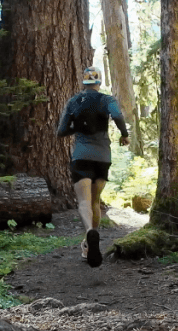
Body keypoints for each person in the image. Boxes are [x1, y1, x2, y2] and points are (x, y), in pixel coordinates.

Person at [56, 66, 130, 267]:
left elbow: (61, 131)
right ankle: (89, 242)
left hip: (81, 156)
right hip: (102, 156)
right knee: (96, 201)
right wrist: (124, 134)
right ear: (98, 82)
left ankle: (89, 235)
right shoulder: (106, 100)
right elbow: (117, 115)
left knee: (84, 202)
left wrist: (76, 127)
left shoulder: (74, 101)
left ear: (84, 82)